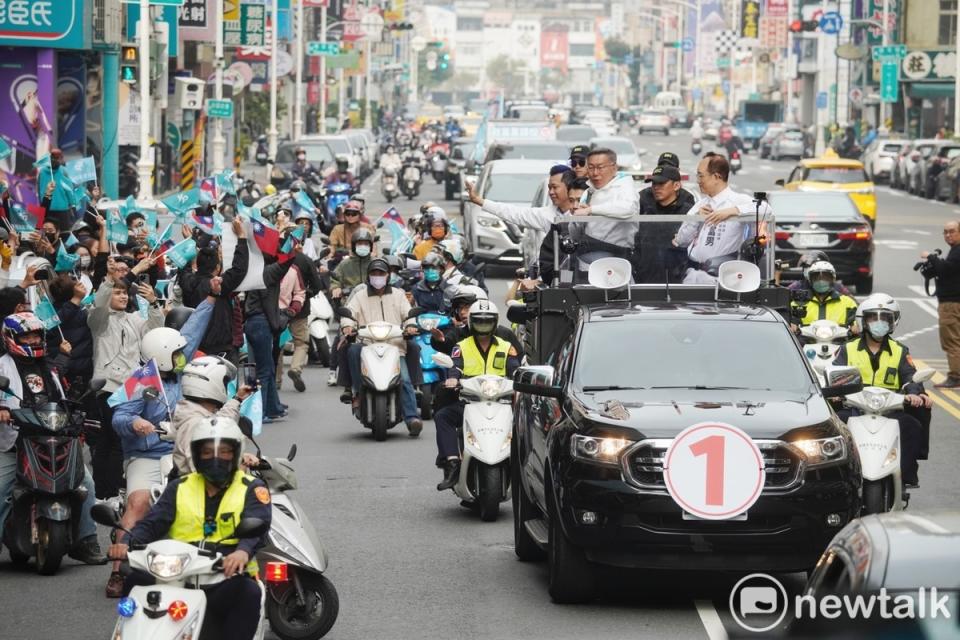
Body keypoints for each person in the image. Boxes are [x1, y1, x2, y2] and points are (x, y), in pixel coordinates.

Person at [108, 418, 271, 640]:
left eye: (224, 452)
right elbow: (152, 523)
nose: (216, 458)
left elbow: (258, 524)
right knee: (136, 580)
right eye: (207, 452)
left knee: (248, 593)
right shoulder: (179, 487)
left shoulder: (252, 488)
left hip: (225, 575)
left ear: (235, 453)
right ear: (197, 455)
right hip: (176, 574)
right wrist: (126, 543)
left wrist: (243, 551)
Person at [107, 300, 215, 597]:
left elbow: (191, 334)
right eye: (178, 354)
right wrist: (135, 423)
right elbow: (119, 416)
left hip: (180, 452)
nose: (184, 356)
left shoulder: (180, 372)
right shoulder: (139, 381)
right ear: (163, 357)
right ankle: (117, 572)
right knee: (138, 505)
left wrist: (210, 300)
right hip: (147, 454)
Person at [0, 313, 106, 566]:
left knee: (85, 484)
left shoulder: (50, 367)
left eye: (36, 335)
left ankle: (86, 541)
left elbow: (61, 399)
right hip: (14, 443)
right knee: (1, 488)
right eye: (26, 336)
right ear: (11, 338)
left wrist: (75, 411)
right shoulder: (2, 366)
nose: (33, 340)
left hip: (50, 437)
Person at [832, 295, 932, 488]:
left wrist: (915, 393)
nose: (879, 323)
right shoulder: (847, 349)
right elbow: (835, 374)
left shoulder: (900, 350)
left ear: (893, 322)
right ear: (864, 321)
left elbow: (911, 377)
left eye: (885, 318)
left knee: (912, 425)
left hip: (890, 410)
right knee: (835, 429)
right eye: (873, 318)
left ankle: (905, 477)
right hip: (855, 408)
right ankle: (837, 478)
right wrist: (836, 391)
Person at [88, 259, 165, 500]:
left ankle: (118, 486)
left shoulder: (133, 318)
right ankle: (106, 493)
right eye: (117, 292)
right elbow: (99, 302)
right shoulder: (99, 319)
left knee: (122, 439)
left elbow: (155, 329)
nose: (122, 297)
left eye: (125, 293)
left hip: (133, 386)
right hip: (108, 384)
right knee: (111, 440)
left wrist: (153, 302)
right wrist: (118, 278)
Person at [434, 300, 520, 490]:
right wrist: (453, 379)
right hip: (470, 401)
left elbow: (514, 367)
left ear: (495, 322)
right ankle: (452, 463)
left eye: (487, 321)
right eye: (479, 321)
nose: (483, 325)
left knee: (525, 423)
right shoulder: (461, 346)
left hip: (501, 401)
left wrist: (521, 379)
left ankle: (523, 465)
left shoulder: (506, 346)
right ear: (471, 323)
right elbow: (455, 366)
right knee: (443, 417)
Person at [341, 258, 423, 435]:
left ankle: (412, 418)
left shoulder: (398, 295)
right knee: (351, 349)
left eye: (381, 273)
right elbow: (349, 313)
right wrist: (347, 325)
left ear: (388, 275)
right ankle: (356, 391)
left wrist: (410, 325)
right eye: (374, 273)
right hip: (367, 345)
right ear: (369, 276)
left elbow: (408, 314)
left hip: (395, 346)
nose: (377, 277)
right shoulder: (360, 296)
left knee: (405, 379)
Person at [674, 152, 771, 284]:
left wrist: (733, 211)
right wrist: (696, 219)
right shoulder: (699, 205)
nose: (698, 181)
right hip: (693, 272)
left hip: (722, 274)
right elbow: (681, 240)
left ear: (716, 177)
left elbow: (766, 209)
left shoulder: (738, 200)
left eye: (701, 176)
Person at [179, 218, 249, 366]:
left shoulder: (187, 282)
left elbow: (184, 266)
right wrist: (242, 238)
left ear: (197, 264)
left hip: (193, 348)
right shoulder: (218, 285)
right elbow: (239, 269)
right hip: (220, 351)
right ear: (218, 267)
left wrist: (189, 241)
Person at [171, 356, 255, 474]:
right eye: (224, 383)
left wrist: (238, 399)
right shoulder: (194, 424)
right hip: (198, 489)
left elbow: (219, 422)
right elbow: (202, 469)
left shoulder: (196, 414)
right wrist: (238, 460)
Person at [568, 148, 641, 276]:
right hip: (585, 256)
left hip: (617, 256)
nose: (595, 173)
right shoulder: (588, 192)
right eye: (591, 168)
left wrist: (591, 210)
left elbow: (628, 208)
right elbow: (575, 235)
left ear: (614, 168)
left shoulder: (625, 186)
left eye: (600, 167)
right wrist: (576, 218)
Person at [920, 221, 960, 388]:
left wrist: (931, 257)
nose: (948, 235)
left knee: (951, 341)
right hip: (953, 301)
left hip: (951, 304)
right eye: (945, 232)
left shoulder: (958, 252)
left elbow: (947, 268)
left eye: (952, 231)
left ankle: (956, 377)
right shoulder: (955, 251)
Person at [789, 260, 859, 329]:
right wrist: (792, 326)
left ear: (833, 279)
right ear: (810, 280)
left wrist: (855, 327)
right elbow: (791, 322)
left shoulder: (848, 303)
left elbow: (856, 322)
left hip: (841, 340)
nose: (821, 281)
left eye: (825, 277)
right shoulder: (798, 303)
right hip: (804, 340)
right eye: (816, 277)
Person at [37, 148, 77, 232]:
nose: (56, 160)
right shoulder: (62, 171)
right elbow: (69, 191)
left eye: (57, 158)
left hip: (49, 209)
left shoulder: (42, 172)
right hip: (59, 210)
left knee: (49, 234)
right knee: (62, 234)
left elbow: (39, 191)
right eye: (54, 158)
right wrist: (72, 204)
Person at [330, 228, 376, 300]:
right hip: (350, 300)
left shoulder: (376, 263)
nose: (363, 246)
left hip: (372, 299)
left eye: (366, 244)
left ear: (370, 247)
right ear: (354, 246)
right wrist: (336, 288)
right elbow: (335, 279)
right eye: (360, 244)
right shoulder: (345, 264)